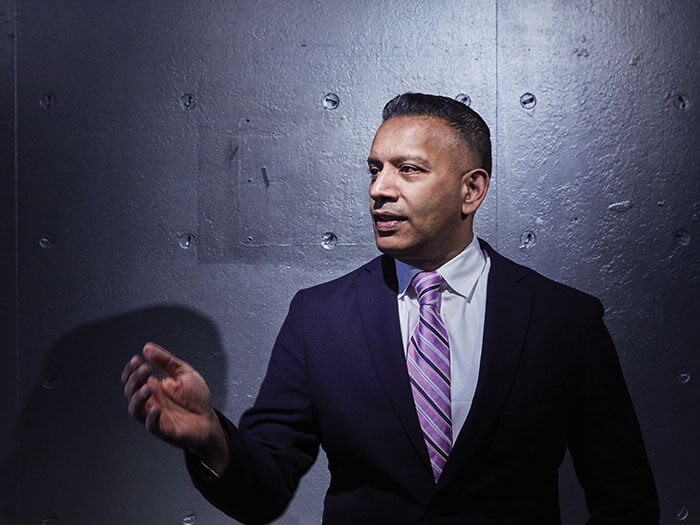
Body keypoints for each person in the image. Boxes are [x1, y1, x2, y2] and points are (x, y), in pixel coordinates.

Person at [122, 93, 659, 524]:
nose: (379, 189)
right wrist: (213, 439)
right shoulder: (319, 317)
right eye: (374, 168)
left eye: (409, 170)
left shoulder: (565, 320)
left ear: (472, 190)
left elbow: (627, 502)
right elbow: (264, 491)